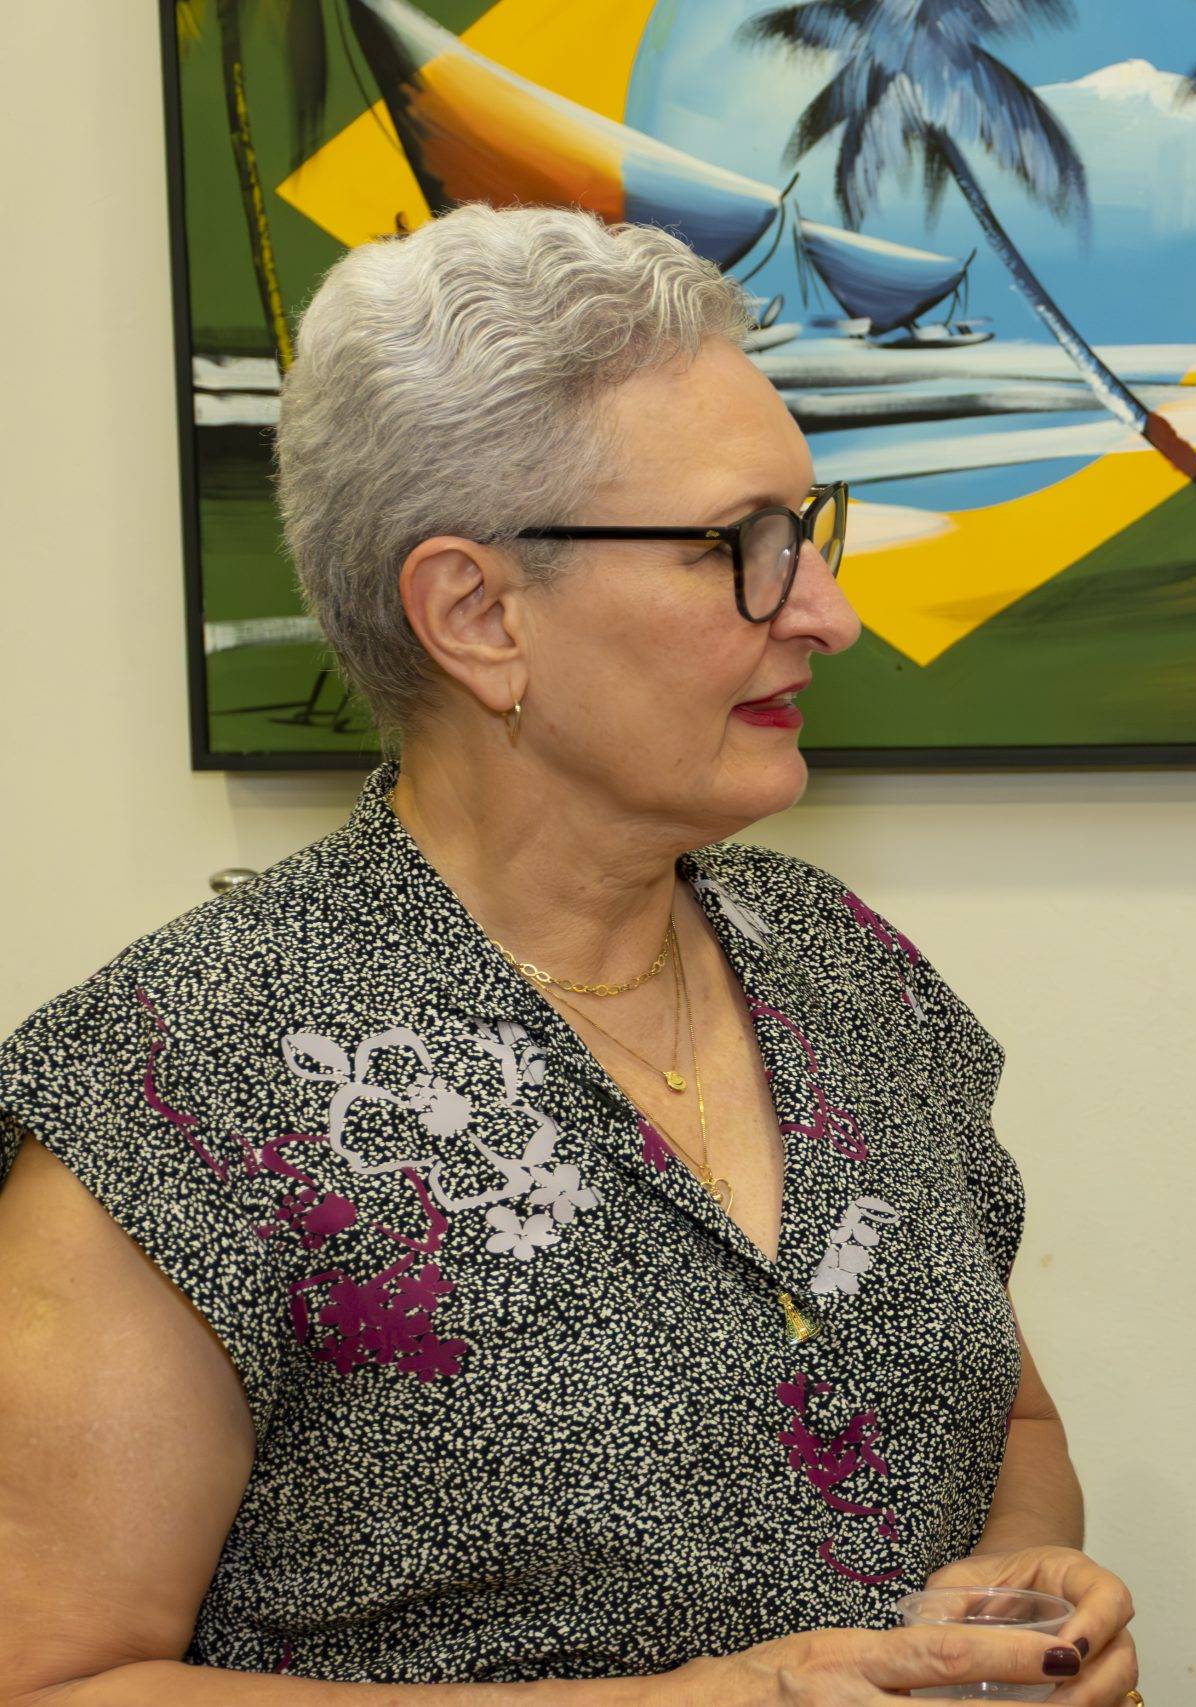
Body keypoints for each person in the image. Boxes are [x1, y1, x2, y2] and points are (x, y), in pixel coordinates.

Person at [0, 205, 1138, 1705]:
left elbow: (1011, 1429)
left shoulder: (840, 968)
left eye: (811, 530)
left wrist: (1015, 1592)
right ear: (478, 615)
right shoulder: (177, 1084)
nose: (830, 613)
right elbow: (55, 1678)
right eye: (742, 548)